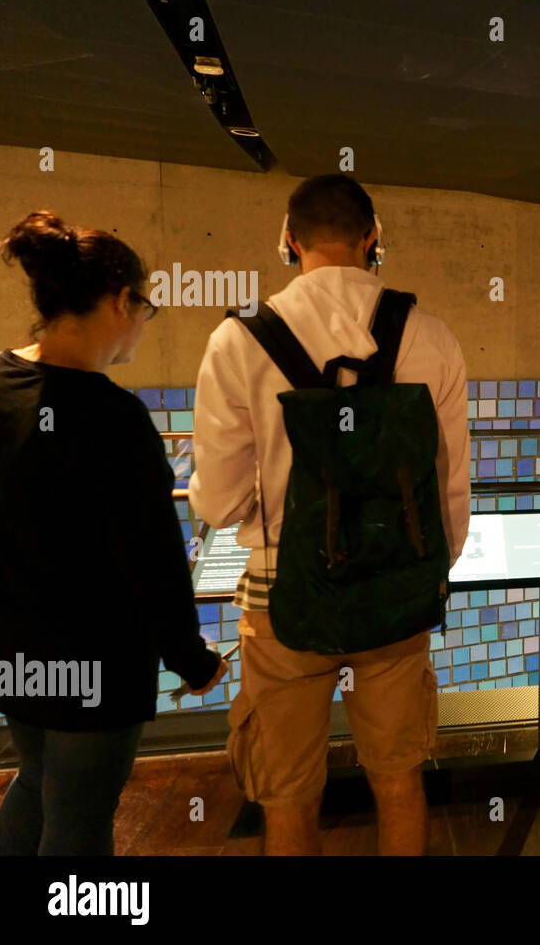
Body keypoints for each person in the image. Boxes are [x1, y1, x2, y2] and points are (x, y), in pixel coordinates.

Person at [189, 175, 470, 855]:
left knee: (288, 792)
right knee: (399, 779)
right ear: (373, 237)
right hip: (395, 590)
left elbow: (222, 501)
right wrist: (424, 562)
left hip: (285, 596)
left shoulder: (237, 341)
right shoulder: (431, 337)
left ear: (289, 240)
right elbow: (449, 490)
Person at [0, 211, 226, 856]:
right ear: (122, 302)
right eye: (146, 309)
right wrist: (193, 659)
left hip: (16, 653)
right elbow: (150, 560)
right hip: (96, 659)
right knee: (78, 824)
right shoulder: (113, 419)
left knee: (39, 780)